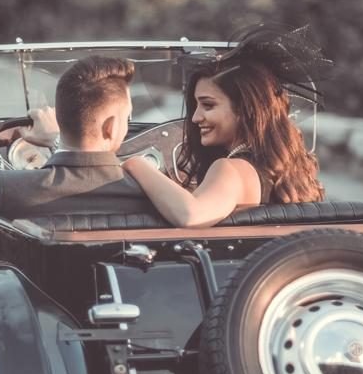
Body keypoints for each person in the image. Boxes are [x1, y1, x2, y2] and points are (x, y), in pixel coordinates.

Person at [0, 56, 157, 267]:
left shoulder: (9, 188)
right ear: (111, 127)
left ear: (62, 117)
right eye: (127, 118)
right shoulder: (152, 192)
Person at [120, 26, 327, 227]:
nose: (195, 118)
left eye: (208, 105)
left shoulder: (232, 169)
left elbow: (191, 215)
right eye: (195, 106)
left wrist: (135, 164)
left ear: (245, 109)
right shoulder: (286, 171)